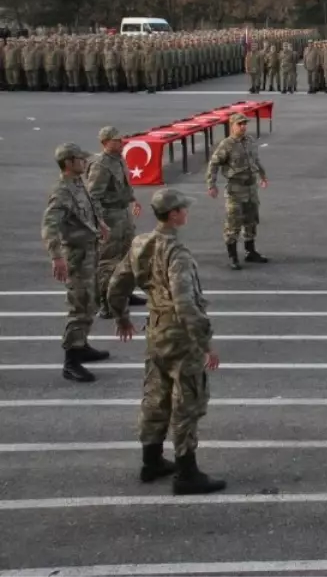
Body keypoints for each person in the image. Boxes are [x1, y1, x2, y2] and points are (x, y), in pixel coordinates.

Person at [107, 188, 225, 495]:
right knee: (187, 400)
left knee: (156, 395)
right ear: (173, 214)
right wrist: (205, 342)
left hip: (155, 330)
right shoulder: (177, 253)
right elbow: (185, 302)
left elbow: (117, 284)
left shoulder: (140, 243)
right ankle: (187, 473)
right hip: (179, 333)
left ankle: (152, 460)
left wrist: (120, 316)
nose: (186, 213)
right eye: (183, 209)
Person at [42, 142, 111, 382]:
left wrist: (99, 224)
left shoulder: (78, 183)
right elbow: (49, 225)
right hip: (76, 257)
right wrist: (56, 257)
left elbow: (89, 207)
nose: (85, 162)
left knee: (91, 301)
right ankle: (71, 361)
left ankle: (81, 345)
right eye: (80, 159)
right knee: (79, 306)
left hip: (89, 252)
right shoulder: (62, 191)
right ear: (69, 163)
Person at [86, 126, 146, 319]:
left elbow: (123, 186)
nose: (122, 143)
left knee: (127, 257)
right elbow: (93, 196)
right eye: (116, 141)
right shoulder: (101, 165)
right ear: (105, 143)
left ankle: (125, 294)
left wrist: (133, 199)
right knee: (108, 261)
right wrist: (100, 222)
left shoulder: (118, 159)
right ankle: (105, 302)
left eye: (121, 140)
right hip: (110, 217)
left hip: (123, 214)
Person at [205, 113, 269, 270]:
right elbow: (213, 164)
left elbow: (256, 160)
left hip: (251, 187)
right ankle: (233, 256)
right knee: (233, 222)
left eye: (245, 124)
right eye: (240, 124)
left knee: (252, 220)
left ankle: (250, 251)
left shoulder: (250, 141)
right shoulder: (226, 145)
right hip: (235, 189)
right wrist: (211, 184)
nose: (243, 126)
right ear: (232, 125)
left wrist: (262, 175)